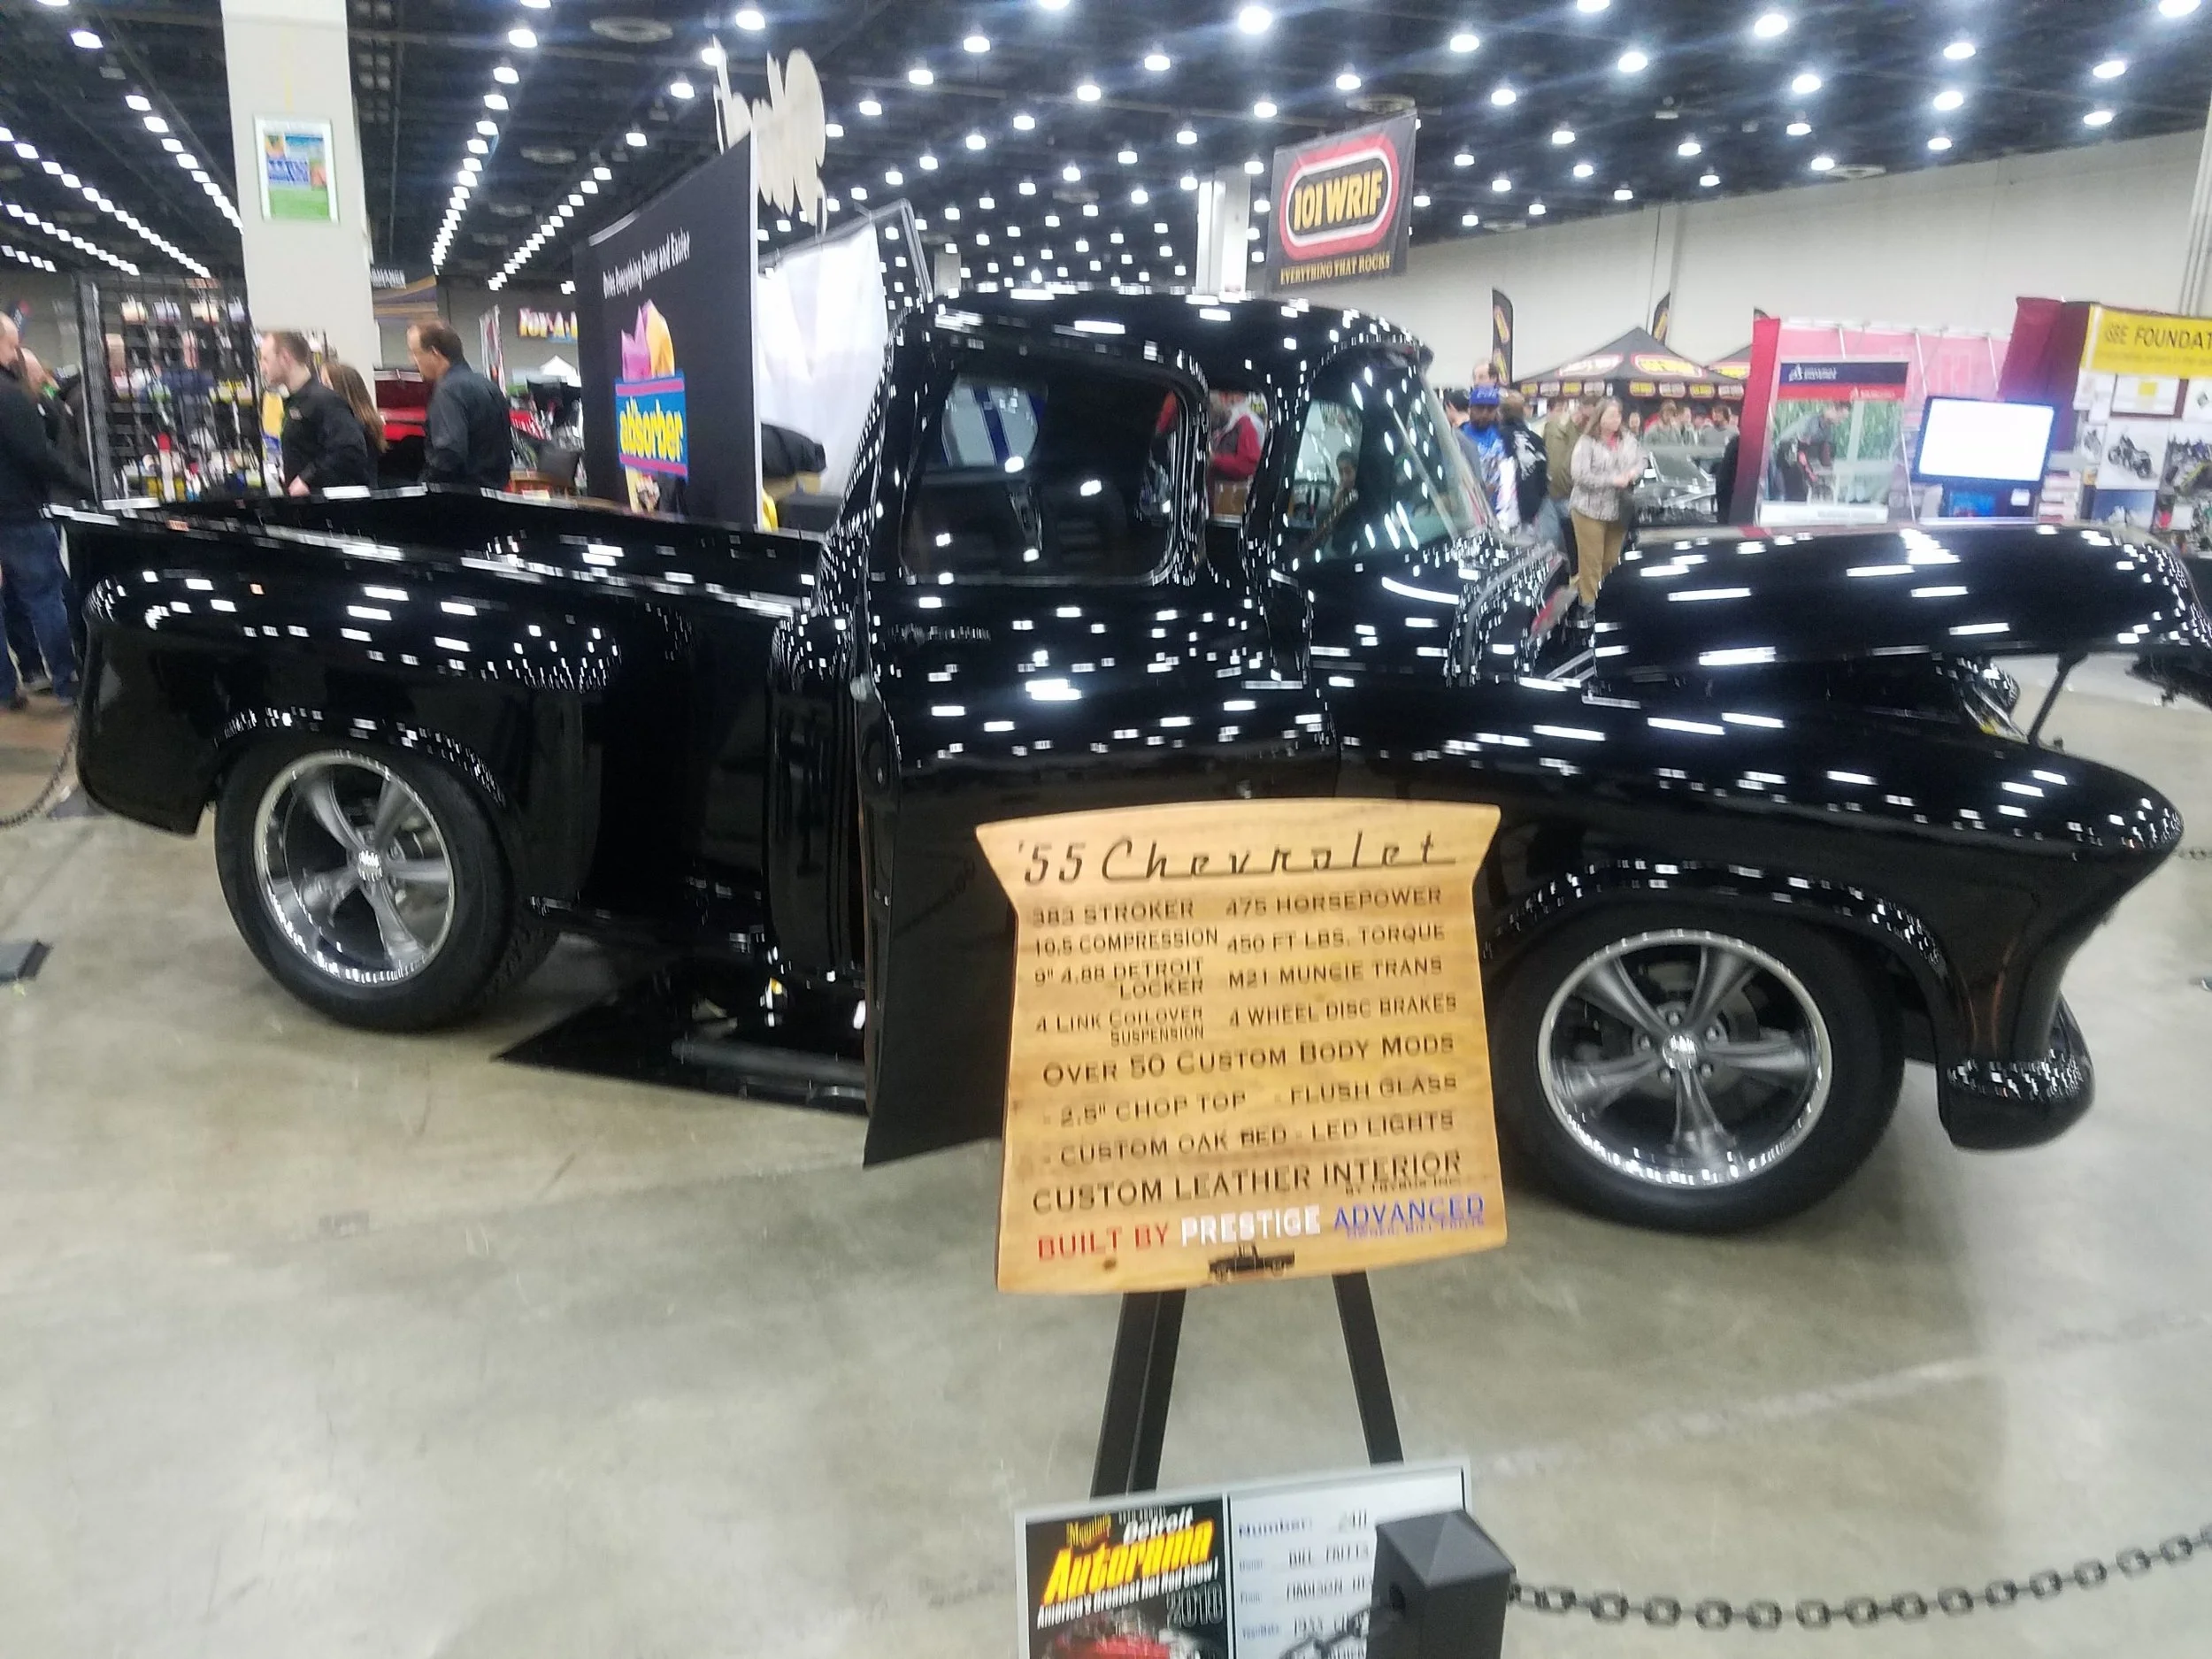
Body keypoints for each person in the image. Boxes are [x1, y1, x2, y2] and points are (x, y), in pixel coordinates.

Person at [0, 314, 93, 709]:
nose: (17, 351)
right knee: (46, 596)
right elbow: (39, 456)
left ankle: (7, 689)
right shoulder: (10, 396)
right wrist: (89, 487)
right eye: (13, 342)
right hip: (21, 514)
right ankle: (66, 682)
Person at [260, 332, 372, 495]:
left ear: (285, 358)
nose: (262, 367)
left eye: (265, 359)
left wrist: (308, 479)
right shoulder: (293, 403)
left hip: (327, 512)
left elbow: (349, 450)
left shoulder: (325, 401)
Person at [407, 319, 511, 490]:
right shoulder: (489, 386)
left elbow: (448, 454)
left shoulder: (448, 391)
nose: (412, 361)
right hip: (495, 496)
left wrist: (423, 485)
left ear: (434, 353)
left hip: (460, 500)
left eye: (415, 353)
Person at [1568, 397, 1644, 612]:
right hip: (1588, 510)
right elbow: (1579, 474)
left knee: (1611, 560)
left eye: (1619, 415)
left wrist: (1632, 473)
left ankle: (1580, 589)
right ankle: (1589, 605)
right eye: (1611, 415)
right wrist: (1611, 480)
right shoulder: (1587, 442)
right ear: (1599, 418)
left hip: (1618, 510)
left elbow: (1641, 459)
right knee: (1591, 561)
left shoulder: (1628, 439)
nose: (1616, 419)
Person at [1499, 391, 1549, 539]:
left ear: (1501, 413)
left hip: (1503, 506)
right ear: (1523, 413)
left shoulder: (1498, 437)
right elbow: (1542, 476)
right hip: (1530, 504)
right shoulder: (1536, 440)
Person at [321, 360, 387, 465]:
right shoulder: (365, 422)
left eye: (327, 386)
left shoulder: (353, 427)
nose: (321, 392)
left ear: (342, 390)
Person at [1540, 393, 1584, 551]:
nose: (1564, 413)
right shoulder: (1547, 429)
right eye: (1560, 409)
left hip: (1566, 494)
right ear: (1550, 411)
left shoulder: (1572, 431)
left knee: (1566, 541)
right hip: (1551, 495)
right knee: (1555, 541)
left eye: (1566, 409)